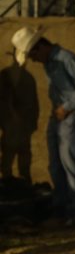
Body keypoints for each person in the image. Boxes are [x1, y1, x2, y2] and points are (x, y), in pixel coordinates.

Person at [11, 26, 75, 221]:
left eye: (32, 55)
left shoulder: (67, 59)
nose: (34, 60)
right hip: (58, 116)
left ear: (40, 47)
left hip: (71, 117)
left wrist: (67, 107)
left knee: (70, 164)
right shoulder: (50, 62)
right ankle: (62, 206)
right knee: (55, 165)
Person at [0, 44, 40, 183]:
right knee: (9, 156)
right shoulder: (5, 76)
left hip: (22, 127)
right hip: (11, 126)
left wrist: (31, 124)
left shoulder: (28, 78)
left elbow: (34, 104)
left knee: (22, 157)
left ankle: (23, 183)